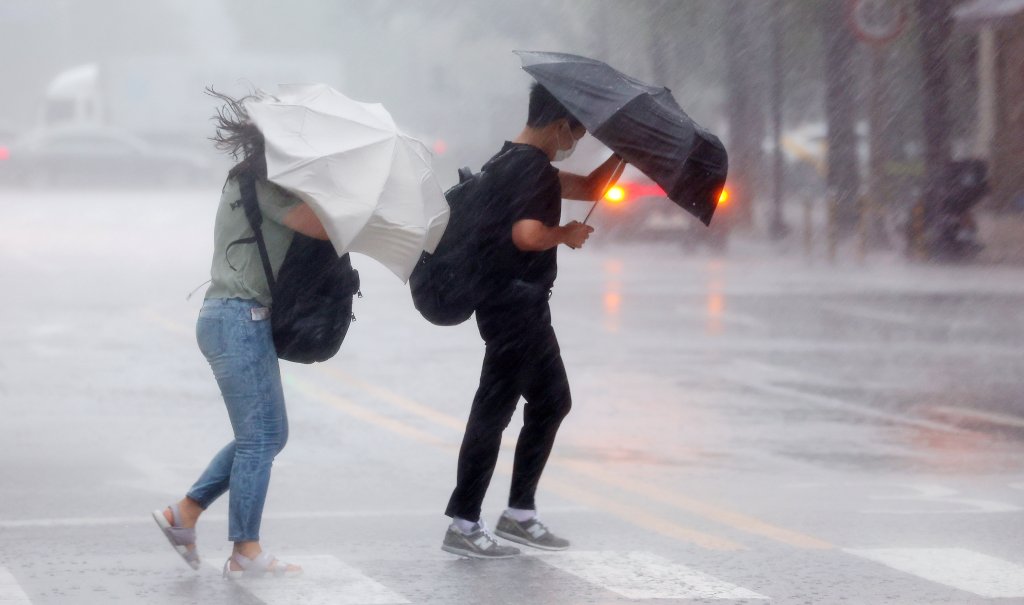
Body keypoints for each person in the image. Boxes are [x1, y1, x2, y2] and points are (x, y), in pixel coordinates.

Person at [441, 83, 624, 558]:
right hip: (514, 308)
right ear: (560, 124)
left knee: (551, 401)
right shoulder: (531, 170)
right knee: (494, 412)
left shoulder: (512, 162)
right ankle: (465, 521)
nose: (576, 141)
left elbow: (586, 187)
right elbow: (525, 235)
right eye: (576, 133)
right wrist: (565, 234)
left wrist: (622, 154)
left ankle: (518, 512)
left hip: (515, 305)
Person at [152, 91, 328, 578]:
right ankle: (245, 551)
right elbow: (318, 226)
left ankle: (183, 514)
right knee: (260, 439)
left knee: (270, 435)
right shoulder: (264, 181)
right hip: (237, 317)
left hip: (237, 316)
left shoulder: (259, 177)